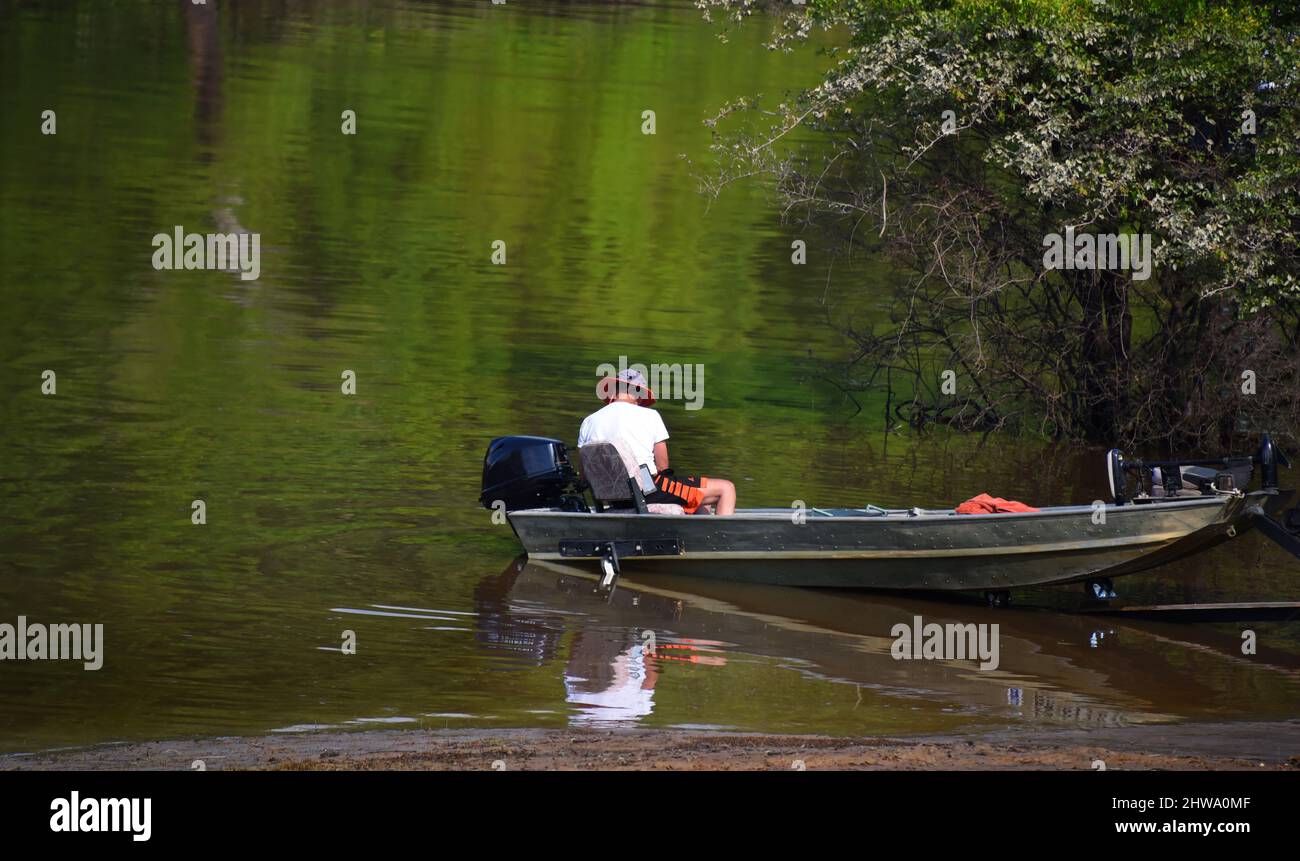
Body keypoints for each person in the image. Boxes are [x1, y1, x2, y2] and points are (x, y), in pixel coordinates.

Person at [577, 368, 736, 515]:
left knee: (699, 499)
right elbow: (662, 466)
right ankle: (722, 543)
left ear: (613, 391)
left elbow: (585, 475)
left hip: (608, 494)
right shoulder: (650, 415)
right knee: (726, 488)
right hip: (646, 487)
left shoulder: (588, 421)